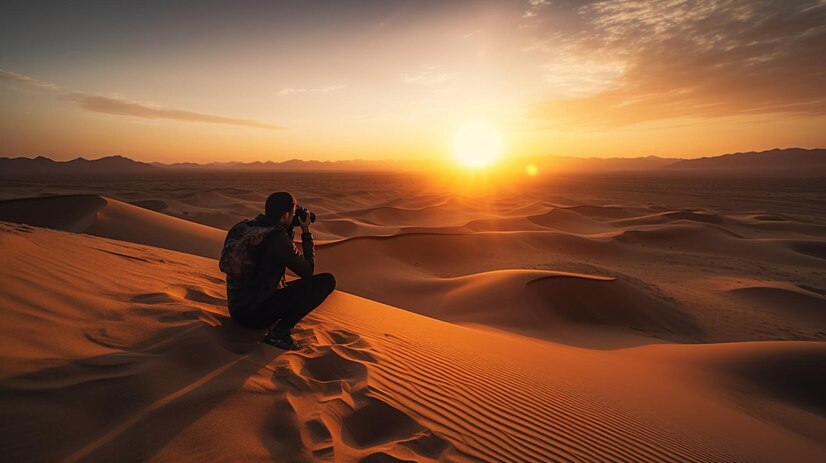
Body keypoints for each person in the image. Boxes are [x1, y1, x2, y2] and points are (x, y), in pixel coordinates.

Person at [223, 191, 336, 350]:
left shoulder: (243, 228)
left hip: (236, 310)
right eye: (293, 213)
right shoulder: (276, 238)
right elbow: (307, 270)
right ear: (285, 215)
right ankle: (280, 333)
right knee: (326, 281)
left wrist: (287, 229)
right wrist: (306, 232)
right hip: (255, 317)